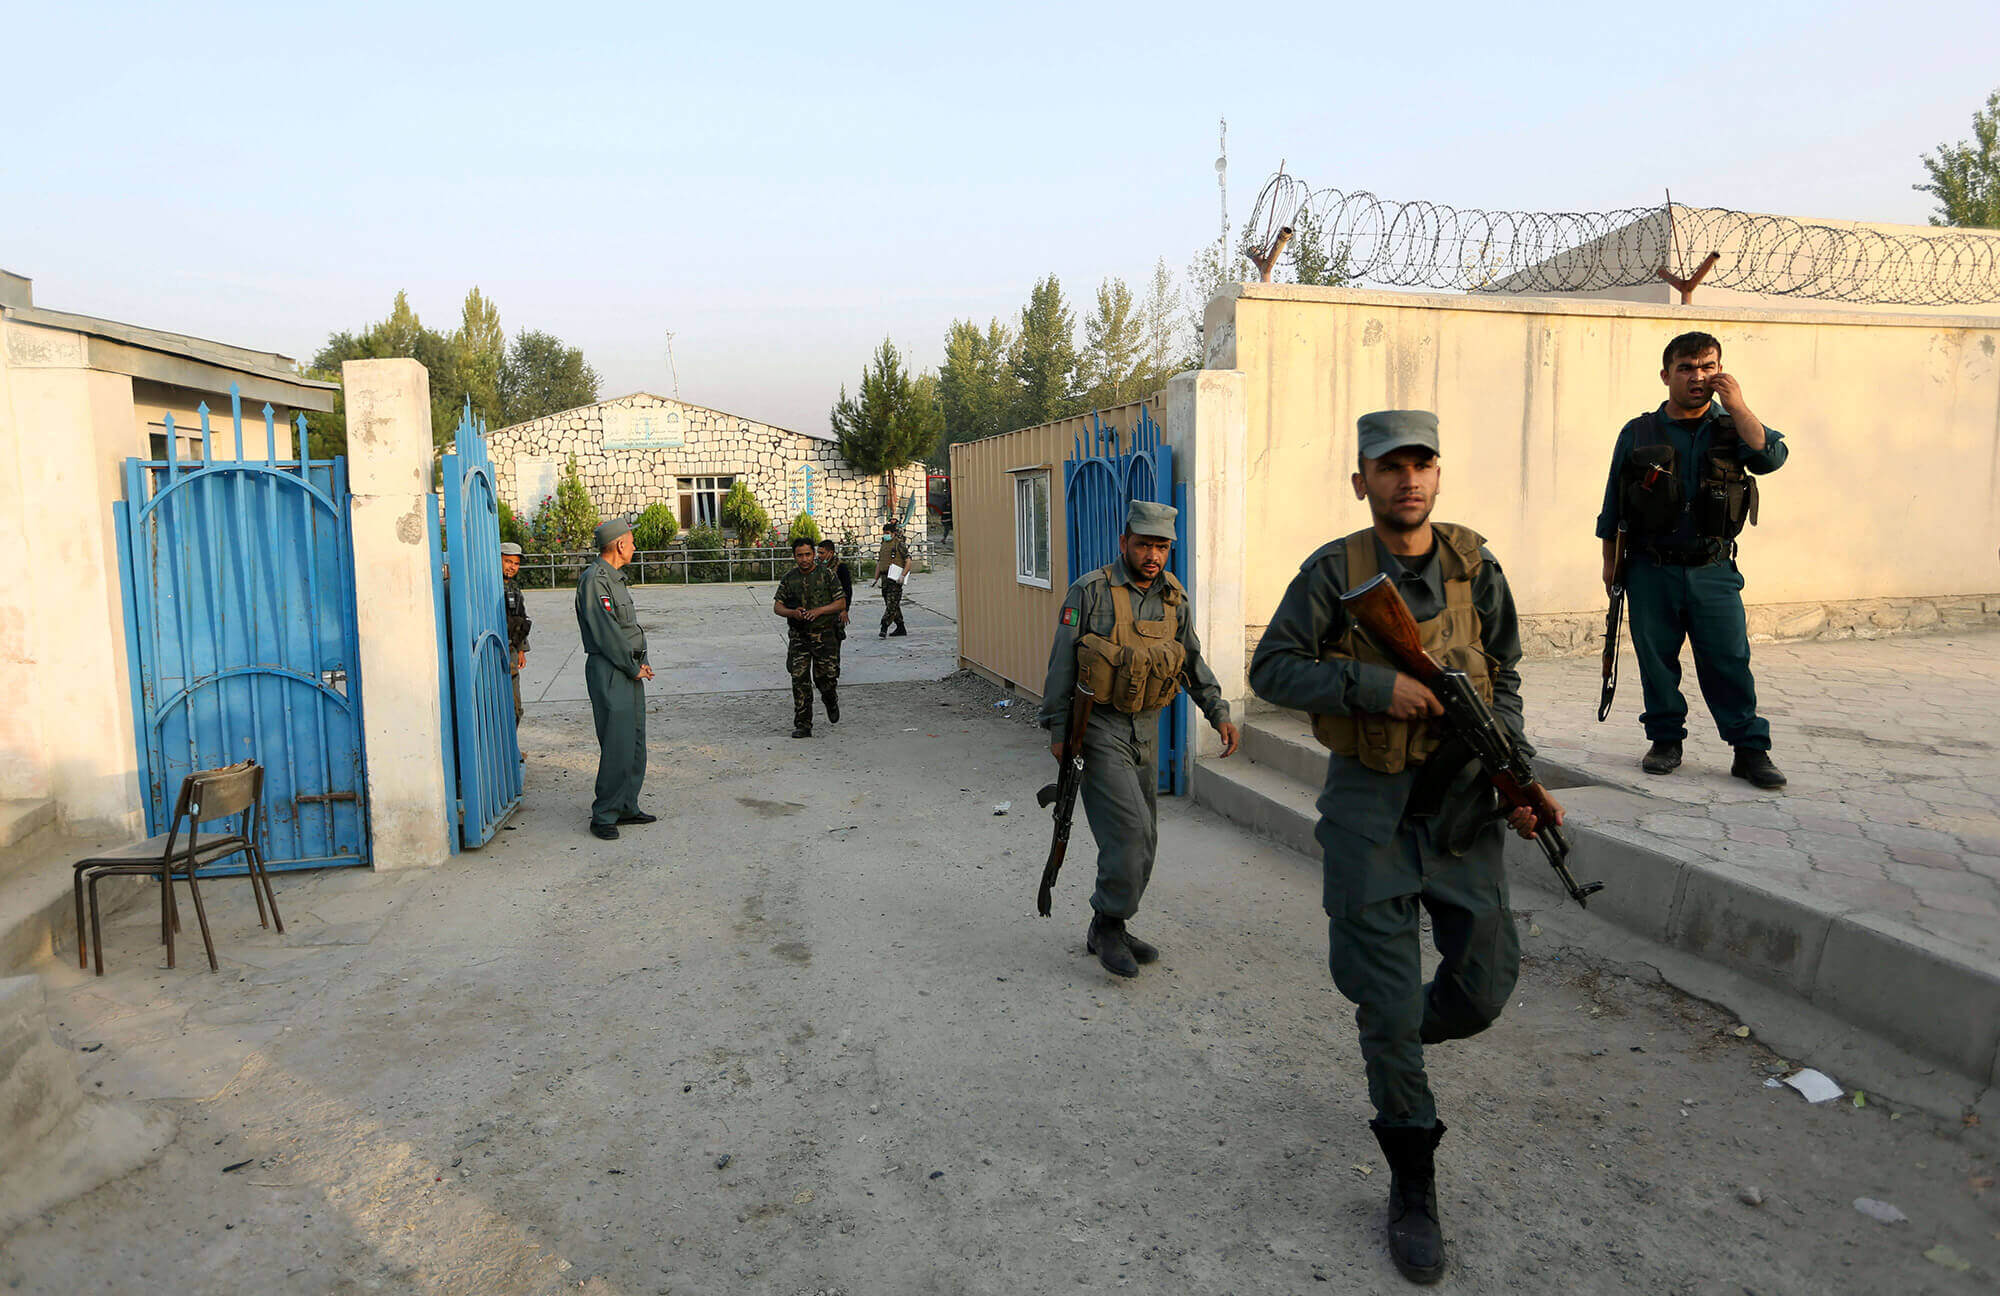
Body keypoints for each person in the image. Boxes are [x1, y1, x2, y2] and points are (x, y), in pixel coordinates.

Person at [1247, 409, 1563, 1284]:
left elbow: (1505, 677)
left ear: (1438, 474)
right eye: (1389, 467)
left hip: (1463, 816)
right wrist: (1370, 685)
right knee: (1386, 1006)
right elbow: (1271, 669)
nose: (1408, 480)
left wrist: (1517, 779)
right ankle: (1413, 1179)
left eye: (1422, 464)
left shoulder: (1475, 564)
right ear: (1362, 480)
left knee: (1486, 989)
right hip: (1370, 815)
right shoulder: (1334, 571)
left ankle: (1393, 1038)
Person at [1038, 499, 1240, 978]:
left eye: (1161, 546)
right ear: (1124, 542)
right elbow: (1063, 661)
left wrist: (1218, 710)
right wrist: (1057, 729)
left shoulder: (1174, 597)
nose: (1153, 555)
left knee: (1145, 836)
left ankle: (1110, 921)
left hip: (1146, 727)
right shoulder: (1089, 592)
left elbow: (1190, 660)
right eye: (1144, 544)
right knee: (1129, 833)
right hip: (1100, 728)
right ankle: (1107, 926)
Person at [1596, 331, 1789, 789]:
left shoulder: (1732, 427)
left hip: (1713, 568)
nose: (1697, 377)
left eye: (1707, 367)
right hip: (1650, 568)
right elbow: (1613, 504)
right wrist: (1611, 564)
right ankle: (1665, 741)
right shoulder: (1639, 431)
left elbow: (1772, 457)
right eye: (1686, 367)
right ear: (1666, 375)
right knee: (1656, 660)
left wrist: (1738, 405)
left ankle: (1749, 750)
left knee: (1728, 660)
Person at [574, 519, 655, 840]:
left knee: (634, 740)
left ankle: (626, 805)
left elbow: (629, 628)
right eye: (632, 541)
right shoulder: (595, 581)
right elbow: (606, 632)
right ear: (620, 545)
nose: (634, 546)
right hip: (610, 669)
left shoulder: (615, 579)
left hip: (628, 668)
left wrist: (641, 661)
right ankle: (604, 813)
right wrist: (630, 665)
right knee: (617, 742)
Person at [774, 537, 846, 738]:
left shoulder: (827, 575)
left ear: (814, 554)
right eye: (800, 555)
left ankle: (830, 699)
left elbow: (840, 603)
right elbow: (777, 606)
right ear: (794, 556)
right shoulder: (789, 578)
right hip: (800, 638)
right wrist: (792, 613)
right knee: (800, 680)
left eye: (808, 554)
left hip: (825, 636)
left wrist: (820, 611)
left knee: (826, 678)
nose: (804, 559)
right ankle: (803, 724)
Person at [500, 542, 532, 724]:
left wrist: (521, 650)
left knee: (515, 707)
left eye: (516, 563)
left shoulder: (514, 588)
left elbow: (521, 617)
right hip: (494, 652)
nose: (512, 567)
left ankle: (512, 750)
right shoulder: (489, 586)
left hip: (511, 651)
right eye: (508, 561)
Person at [876, 520, 910, 638]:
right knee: (892, 604)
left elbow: (908, 561)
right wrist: (875, 579)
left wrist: (903, 575)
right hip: (885, 578)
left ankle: (884, 627)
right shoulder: (884, 544)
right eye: (884, 532)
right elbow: (880, 562)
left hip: (895, 579)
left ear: (893, 533)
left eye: (887, 532)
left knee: (891, 605)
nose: (885, 535)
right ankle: (900, 627)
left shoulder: (899, 544)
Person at [816, 539, 854, 644]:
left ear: (831, 553)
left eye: (822, 553)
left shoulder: (840, 567)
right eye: (818, 552)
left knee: (834, 642)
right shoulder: (818, 567)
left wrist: (845, 610)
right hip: (821, 610)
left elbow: (847, 590)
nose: (819, 555)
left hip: (836, 610)